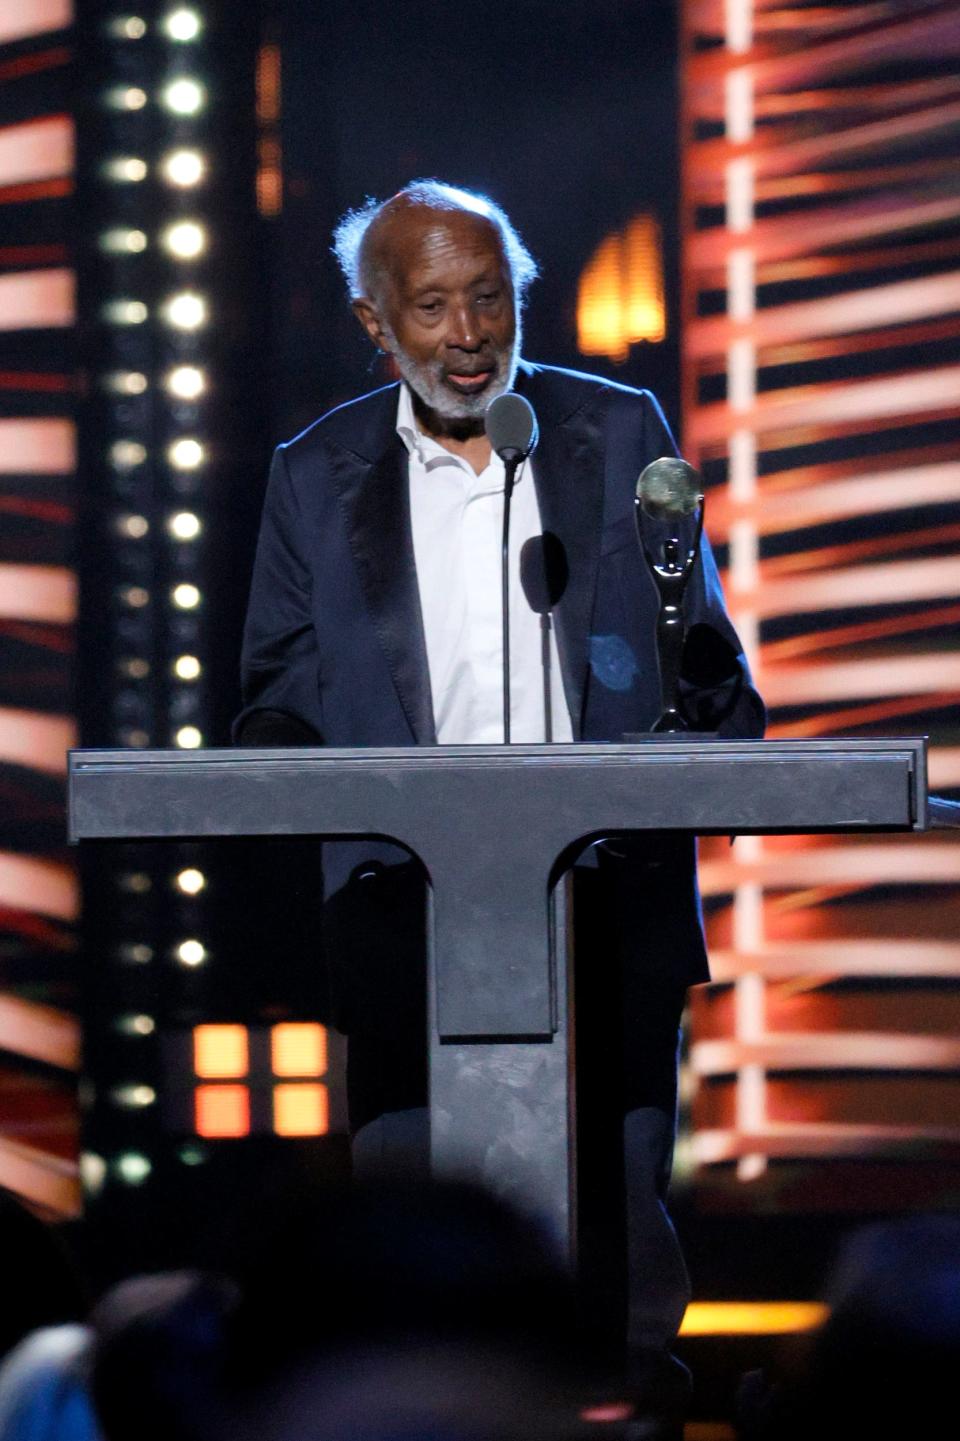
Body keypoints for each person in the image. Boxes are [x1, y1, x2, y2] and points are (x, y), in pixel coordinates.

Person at [235, 180, 764, 1431]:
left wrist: (704, 709)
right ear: (377, 323)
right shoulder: (316, 474)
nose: (469, 333)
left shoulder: (618, 430)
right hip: (402, 919)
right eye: (432, 306)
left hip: (610, 907)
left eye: (490, 298)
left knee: (618, 1240)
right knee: (410, 1244)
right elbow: (276, 693)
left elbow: (709, 669)